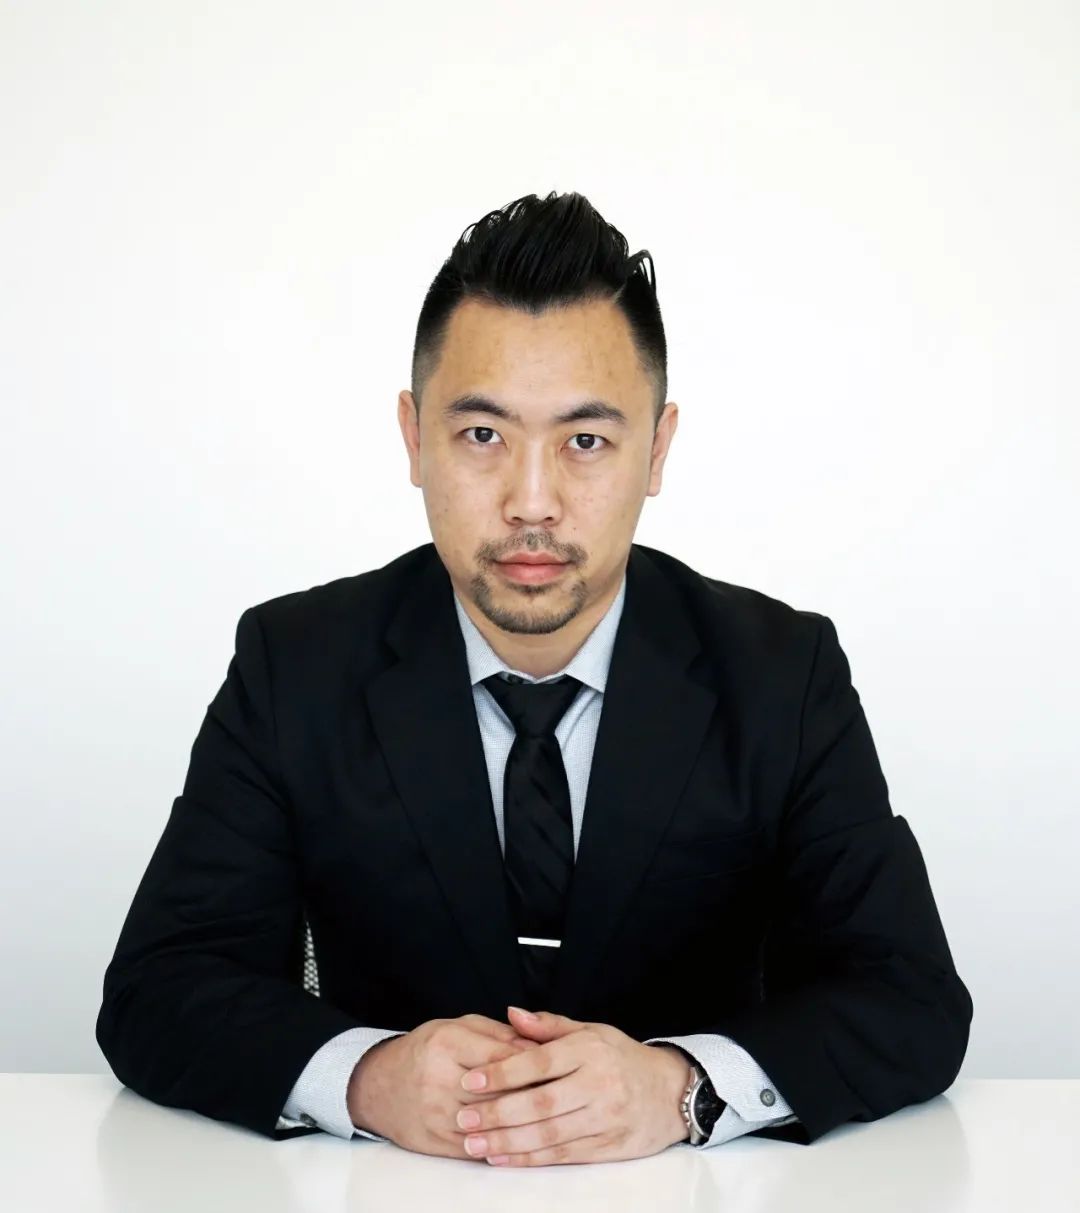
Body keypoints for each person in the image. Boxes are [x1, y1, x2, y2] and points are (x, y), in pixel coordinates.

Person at [96, 190, 973, 1168]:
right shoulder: (294, 663)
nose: (532, 501)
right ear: (413, 437)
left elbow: (909, 998)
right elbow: (158, 989)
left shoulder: (782, 673)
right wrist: (367, 1076)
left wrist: (683, 1087)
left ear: (657, 450)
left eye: (585, 441)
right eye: (483, 436)